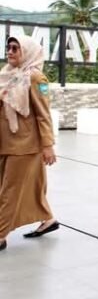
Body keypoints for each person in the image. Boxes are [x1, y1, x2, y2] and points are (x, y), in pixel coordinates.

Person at [0, 35, 57, 252]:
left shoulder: (36, 78)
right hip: (5, 142)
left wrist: (47, 145)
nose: (11, 52)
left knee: (9, 191)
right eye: (9, 48)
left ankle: (1, 234)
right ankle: (48, 219)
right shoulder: (6, 74)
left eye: (16, 48)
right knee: (34, 187)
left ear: (28, 52)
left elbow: (43, 114)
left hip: (24, 145)